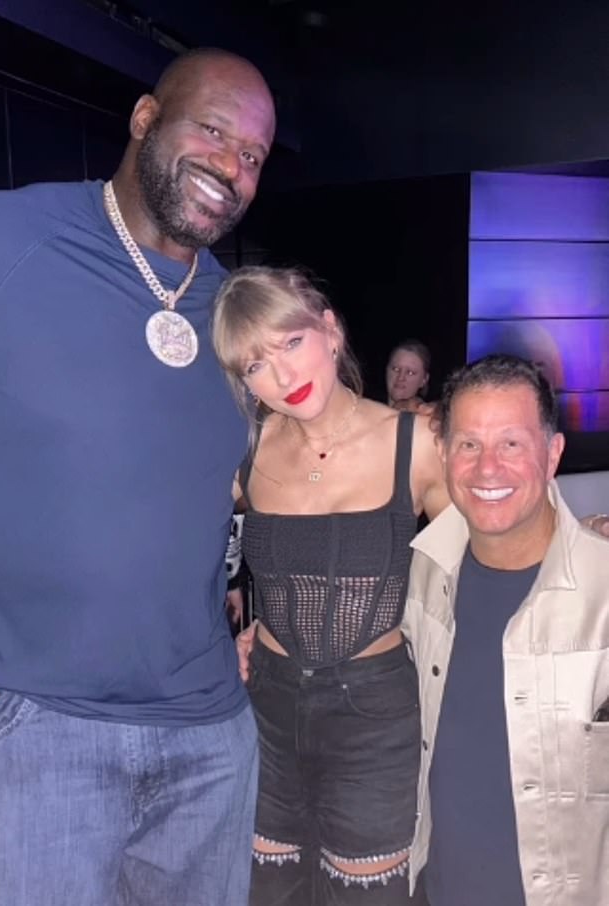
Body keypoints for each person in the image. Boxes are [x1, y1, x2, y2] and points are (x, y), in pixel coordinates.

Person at [0, 48, 276, 906]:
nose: (231, 165)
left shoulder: (233, 314)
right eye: (213, 131)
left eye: (252, 154)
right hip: (37, 727)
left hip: (210, 737)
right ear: (146, 118)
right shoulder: (2, 241)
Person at [212, 265, 449, 905]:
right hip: (267, 709)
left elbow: (489, 555)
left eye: (290, 343)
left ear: (330, 330)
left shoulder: (418, 441)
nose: (282, 377)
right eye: (255, 365)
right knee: (268, 893)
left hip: (374, 717)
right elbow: (161, 550)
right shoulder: (248, 447)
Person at [401, 354, 609, 906]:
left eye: (512, 444)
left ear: (553, 455)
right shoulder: (423, 572)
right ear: (444, 455)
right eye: (469, 444)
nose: (487, 468)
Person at [386, 339, 434, 413]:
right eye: (396, 369)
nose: (401, 377)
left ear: (424, 380)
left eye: (410, 373)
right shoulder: (367, 411)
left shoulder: (427, 419)